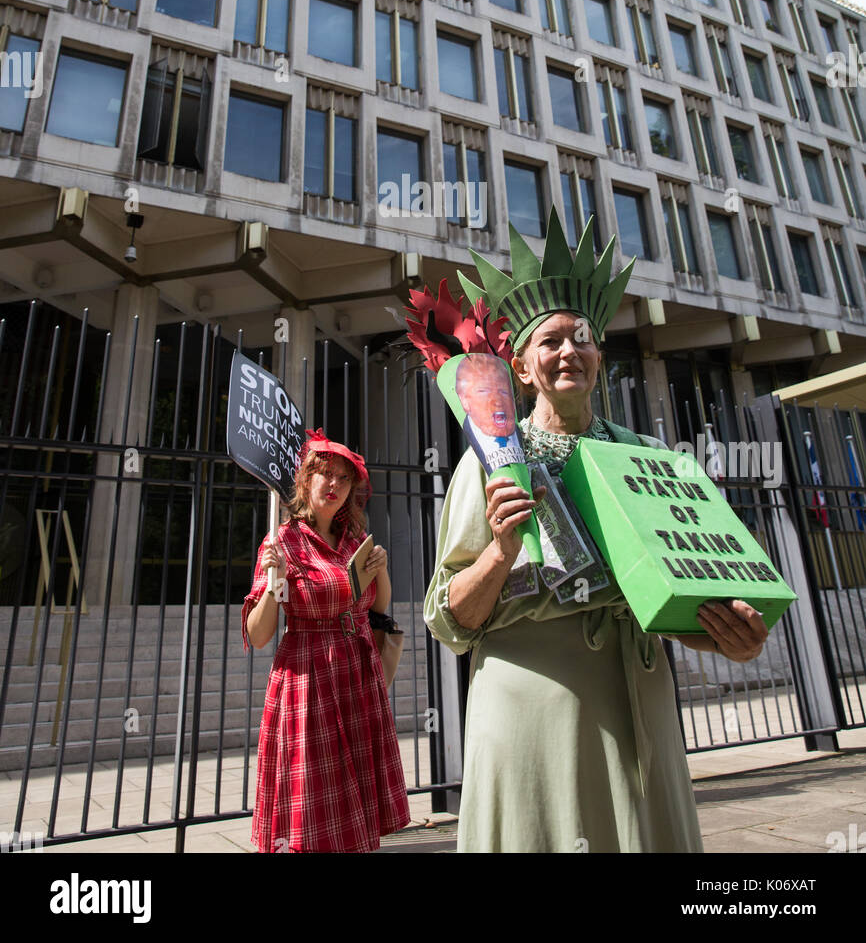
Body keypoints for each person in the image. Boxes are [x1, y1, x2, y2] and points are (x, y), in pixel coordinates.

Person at [424, 209, 769, 853]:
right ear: (521, 369)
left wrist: (731, 639)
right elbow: (447, 621)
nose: (567, 351)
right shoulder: (494, 460)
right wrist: (500, 554)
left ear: (599, 356)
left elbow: (686, 589)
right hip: (532, 713)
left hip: (640, 705)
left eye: (581, 337)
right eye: (548, 341)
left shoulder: (650, 458)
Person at [242, 428, 410, 853]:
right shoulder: (282, 542)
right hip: (308, 679)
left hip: (357, 672)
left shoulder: (354, 538)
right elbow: (259, 635)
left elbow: (376, 606)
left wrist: (381, 568)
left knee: (352, 807)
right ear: (305, 480)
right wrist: (274, 579)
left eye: (343, 478)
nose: (333, 485)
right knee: (312, 803)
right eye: (324, 475)